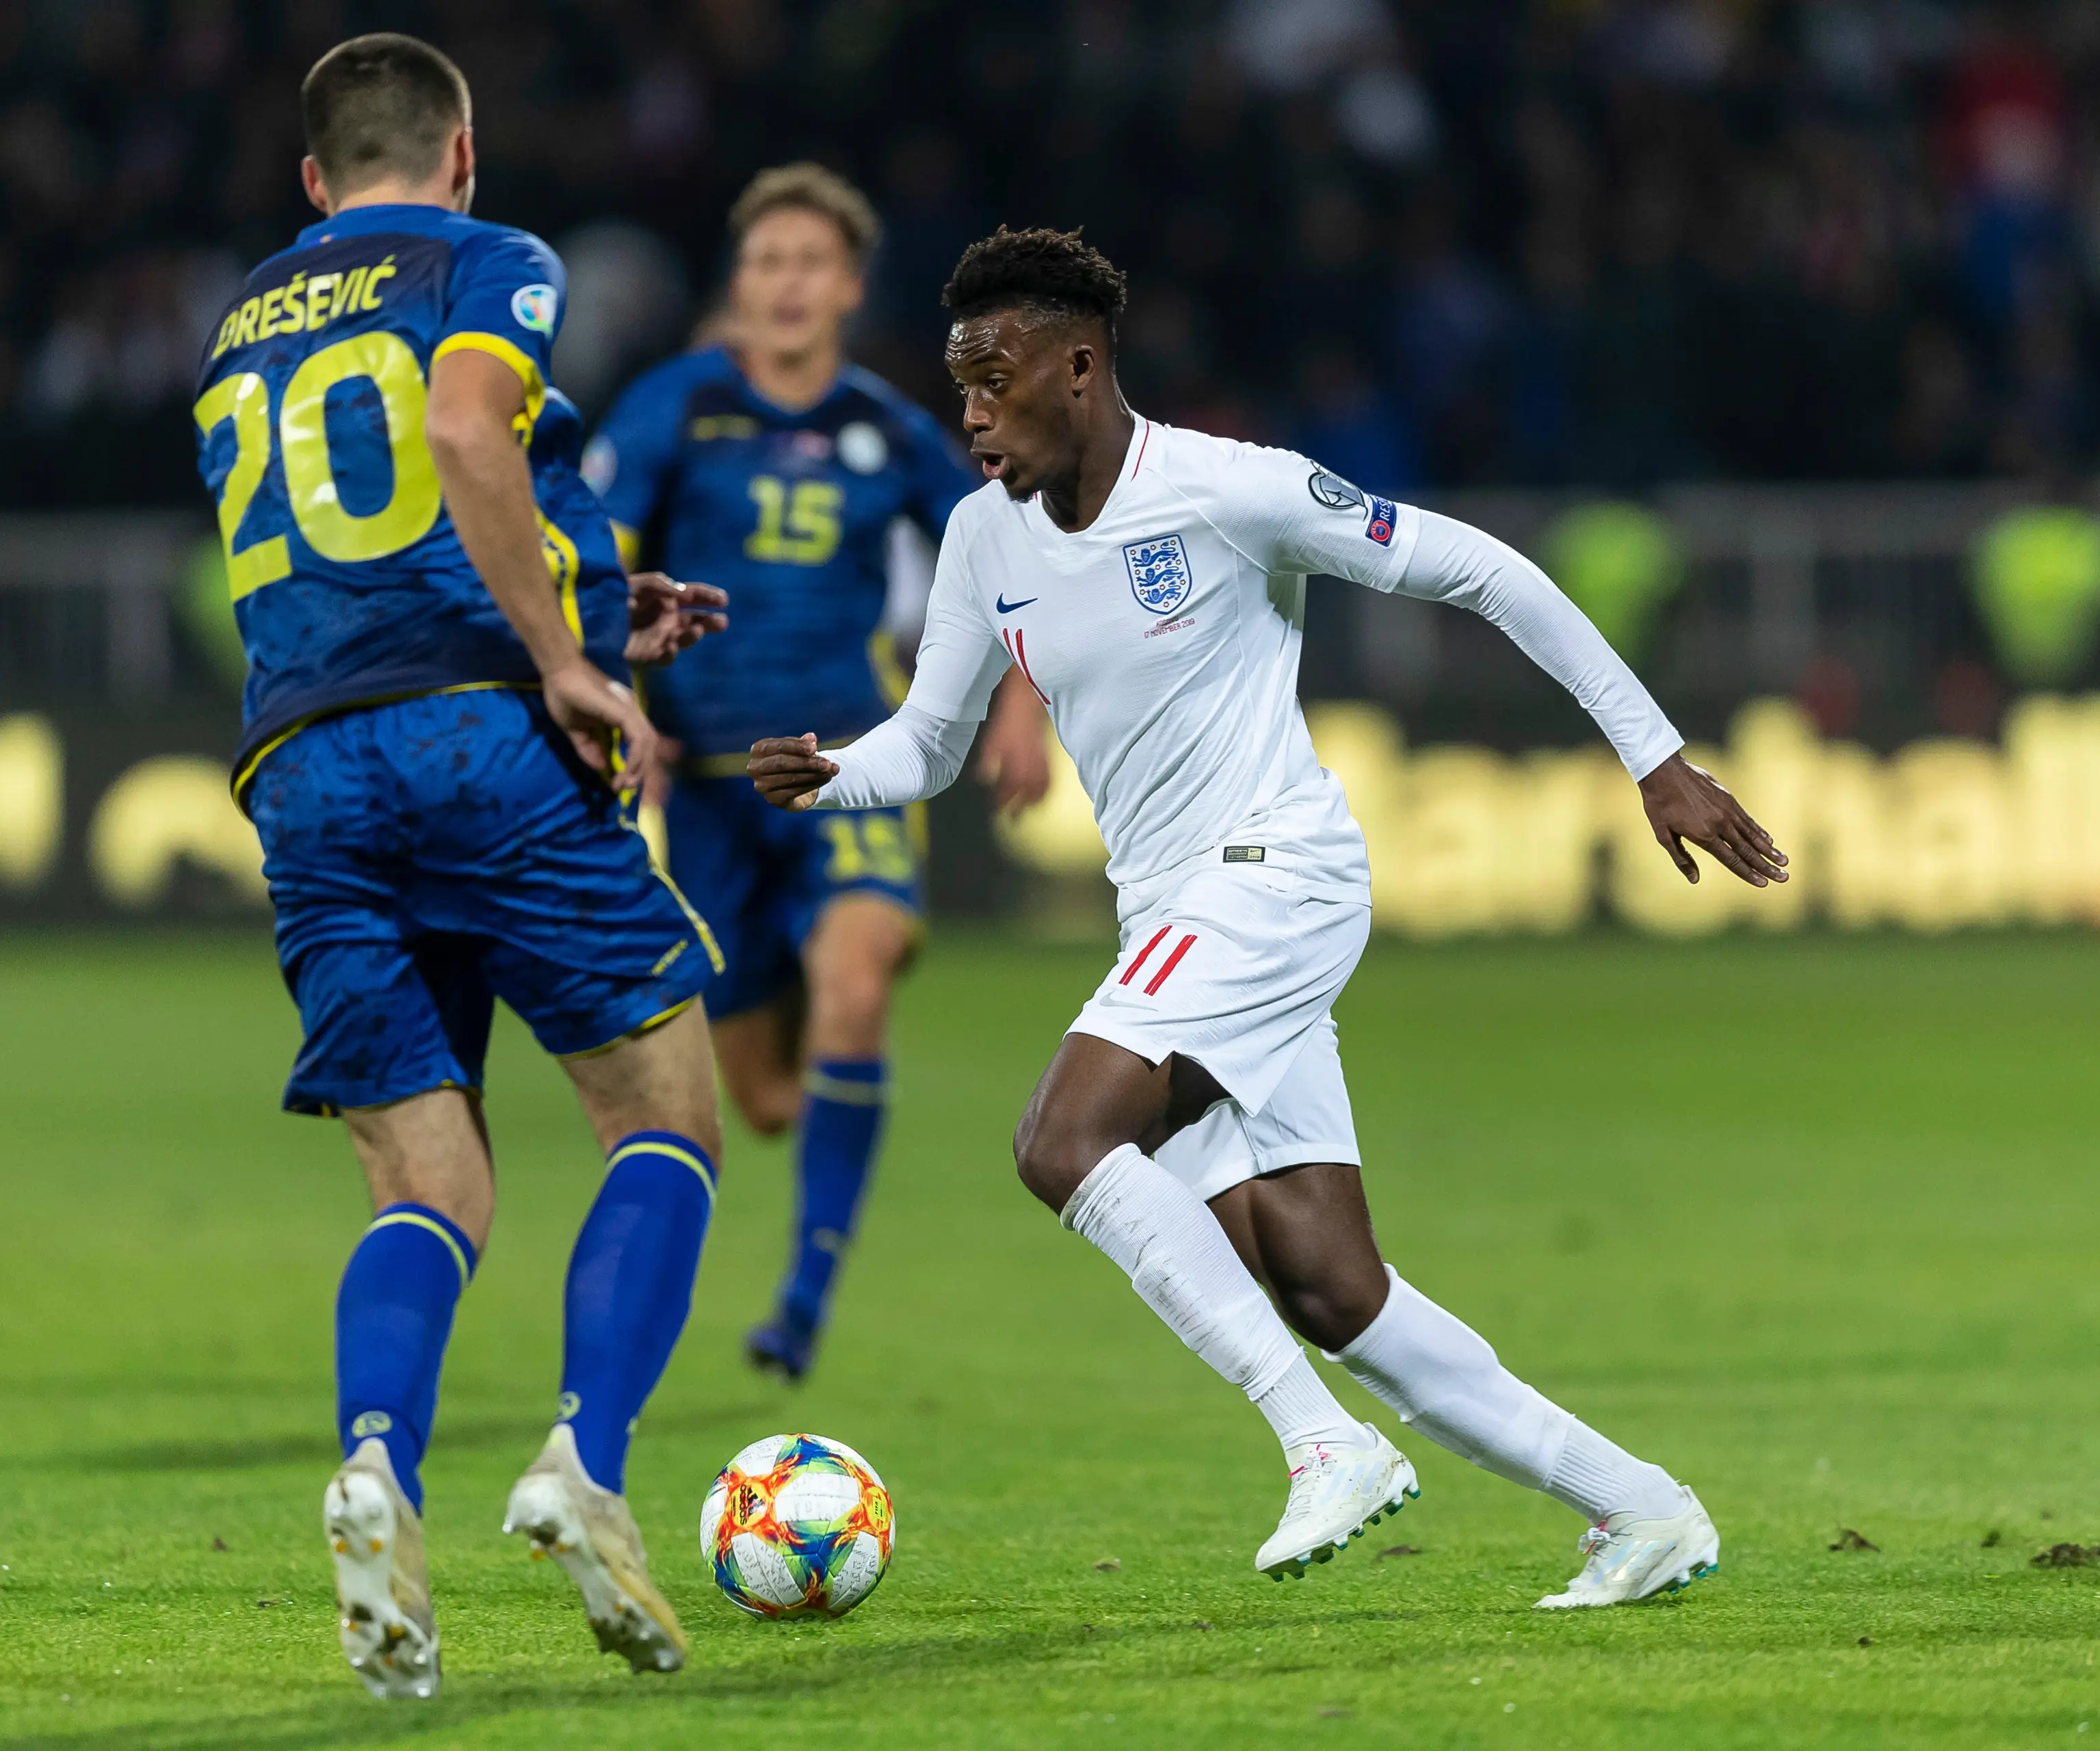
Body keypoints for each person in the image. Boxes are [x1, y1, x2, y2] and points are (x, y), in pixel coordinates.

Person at [748, 228, 1788, 1605]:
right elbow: (930, 743)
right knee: (1327, 1277)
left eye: (996, 381)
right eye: (959, 387)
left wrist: (1655, 756)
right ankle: (1645, 1508)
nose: (974, 415)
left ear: (1081, 362)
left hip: (1273, 872)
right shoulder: (979, 535)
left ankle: (1321, 1444)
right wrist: (833, 776)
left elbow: (1486, 569)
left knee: (1064, 1137)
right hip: (1174, 912)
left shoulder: (1228, 491)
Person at [192, 34, 733, 1696]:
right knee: (662, 1112)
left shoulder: (236, 328)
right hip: (476, 740)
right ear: (464, 153)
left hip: (302, 767)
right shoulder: (485, 261)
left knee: (430, 1184)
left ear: (309, 181)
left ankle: (376, 1463)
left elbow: (367, 540)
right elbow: (462, 437)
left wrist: (577, 599)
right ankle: (583, 1461)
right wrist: (564, 661)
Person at [586, 165, 1049, 1383]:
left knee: (855, 980)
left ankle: (800, 1304)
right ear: (740, 286)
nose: (787, 285)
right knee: (770, 1103)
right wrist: (615, 693)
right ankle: (802, 1180)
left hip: (842, 756)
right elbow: (595, 554)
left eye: (810, 264)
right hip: (712, 785)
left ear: (847, 285)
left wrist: (1019, 704)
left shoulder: (888, 426)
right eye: (766, 263)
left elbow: (1012, 553)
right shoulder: (674, 407)